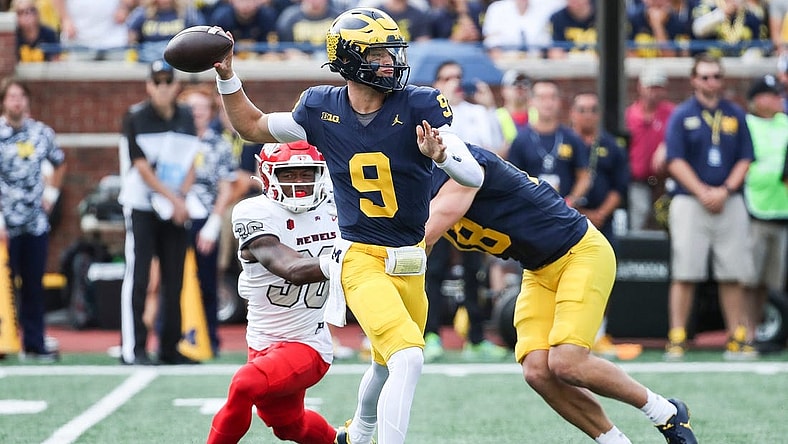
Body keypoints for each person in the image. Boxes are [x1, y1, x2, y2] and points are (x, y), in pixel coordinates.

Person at [212, 8, 483, 444]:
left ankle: (358, 434)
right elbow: (253, 125)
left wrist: (441, 156)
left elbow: (474, 176)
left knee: (383, 363)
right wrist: (227, 75)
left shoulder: (418, 104)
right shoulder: (320, 108)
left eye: (393, 52)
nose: (391, 62)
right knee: (408, 358)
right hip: (360, 259)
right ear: (350, 59)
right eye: (379, 54)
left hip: (412, 259)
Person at [207, 141, 343, 444]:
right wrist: (344, 261)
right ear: (267, 176)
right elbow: (290, 269)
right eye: (289, 174)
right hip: (263, 341)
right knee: (288, 426)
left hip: (309, 343)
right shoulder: (253, 211)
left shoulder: (337, 206)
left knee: (244, 384)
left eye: (306, 173)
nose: (299, 182)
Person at [663, 52, 756, 361]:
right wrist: (703, 191)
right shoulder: (682, 114)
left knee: (733, 271)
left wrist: (726, 190)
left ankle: (737, 335)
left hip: (729, 200)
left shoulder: (735, 113)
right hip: (691, 201)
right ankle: (677, 335)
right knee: (685, 271)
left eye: (716, 76)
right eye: (704, 76)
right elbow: (674, 161)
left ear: (722, 79)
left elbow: (745, 157)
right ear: (693, 80)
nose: (711, 81)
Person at [423, 60, 507, 363]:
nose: (454, 82)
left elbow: (496, 150)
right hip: (438, 199)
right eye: (446, 77)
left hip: (473, 201)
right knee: (434, 268)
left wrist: (492, 108)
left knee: (475, 270)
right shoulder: (427, 112)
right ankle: (430, 334)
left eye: (457, 77)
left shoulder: (478, 113)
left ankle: (475, 337)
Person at [118, 59, 200, 366]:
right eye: (158, 82)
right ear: (149, 86)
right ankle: (134, 348)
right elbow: (141, 168)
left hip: (174, 207)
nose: (163, 87)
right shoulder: (135, 117)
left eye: (168, 81)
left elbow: (192, 160)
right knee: (138, 276)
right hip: (142, 205)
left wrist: (180, 200)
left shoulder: (186, 115)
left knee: (174, 278)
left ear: (176, 85)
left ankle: (169, 348)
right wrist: (175, 199)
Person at [0, 77, 66, 363]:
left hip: (35, 221)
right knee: (3, 284)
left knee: (33, 285)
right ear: (3, 101)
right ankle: (4, 341)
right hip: (5, 222)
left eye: (21, 96)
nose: (17, 101)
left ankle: (35, 342)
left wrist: (51, 193)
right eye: (11, 96)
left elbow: (60, 161)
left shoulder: (41, 132)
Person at [178, 84, 239, 358]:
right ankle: (173, 336)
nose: (197, 113)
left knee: (207, 281)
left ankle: (209, 338)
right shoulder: (175, 140)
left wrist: (214, 222)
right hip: (176, 216)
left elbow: (228, 185)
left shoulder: (220, 142)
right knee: (171, 279)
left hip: (205, 218)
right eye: (192, 108)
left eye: (202, 108)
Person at [742, 75, 788, 352]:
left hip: (782, 209)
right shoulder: (747, 124)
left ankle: (758, 329)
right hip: (754, 208)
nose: (778, 99)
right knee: (749, 278)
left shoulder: (785, 122)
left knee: (770, 282)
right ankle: (744, 329)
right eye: (772, 95)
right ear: (758, 99)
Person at [507, 79, 592, 207]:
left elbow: (584, 176)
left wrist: (571, 201)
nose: (548, 103)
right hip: (531, 212)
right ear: (531, 102)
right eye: (542, 98)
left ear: (559, 102)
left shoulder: (572, 138)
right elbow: (512, 180)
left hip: (565, 214)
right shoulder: (521, 140)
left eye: (552, 98)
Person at [624, 66, 675, 232]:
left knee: (667, 224)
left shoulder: (673, 114)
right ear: (641, 87)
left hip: (666, 181)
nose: (654, 92)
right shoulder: (630, 115)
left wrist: (667, 144)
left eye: (658, 87)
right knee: (638, 222)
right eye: (651, 86)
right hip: (637, 182)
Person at [52, 0, 133, 61]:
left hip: (113, 38)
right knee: (79, 80)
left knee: (118, 79)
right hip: (79, 39)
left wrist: (124, 7)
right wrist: (65, 19)